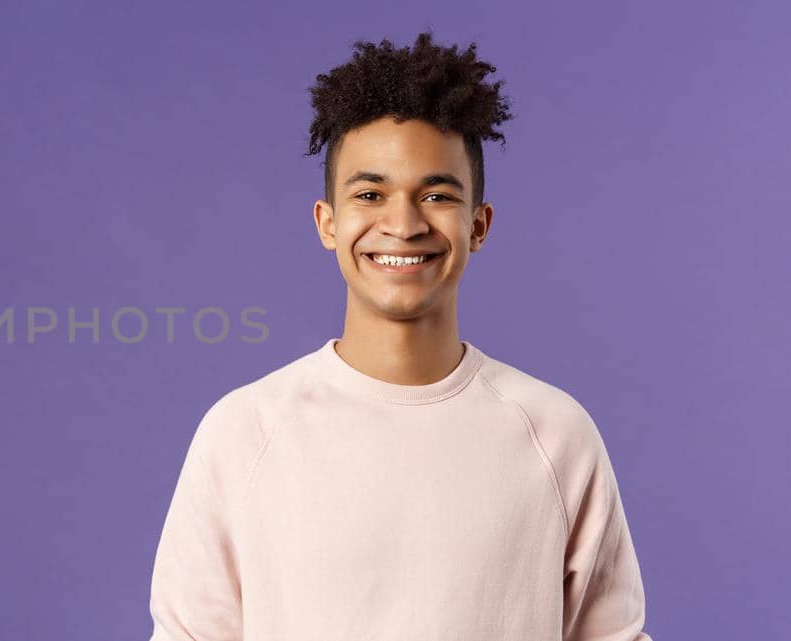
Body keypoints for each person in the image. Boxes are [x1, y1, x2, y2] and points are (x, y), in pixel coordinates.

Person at [146, 31, 654, 640]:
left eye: (436, 195)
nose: (404, 224)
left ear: (479, 224)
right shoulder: (244, 432)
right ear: (327, 223)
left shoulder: (555, 433)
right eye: (370, 194)